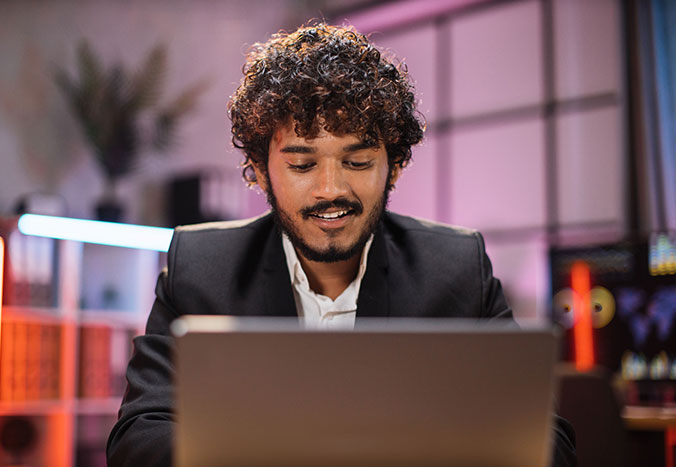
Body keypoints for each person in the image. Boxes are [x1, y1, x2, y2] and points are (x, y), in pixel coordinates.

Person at [107, 23, 576, 466]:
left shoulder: (455, 269)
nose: (330, 189)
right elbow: (139, 435)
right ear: (260, 168)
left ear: (393, 165)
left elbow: (546, 438)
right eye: (302, 165)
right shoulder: (202, 267)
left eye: (357, 161)